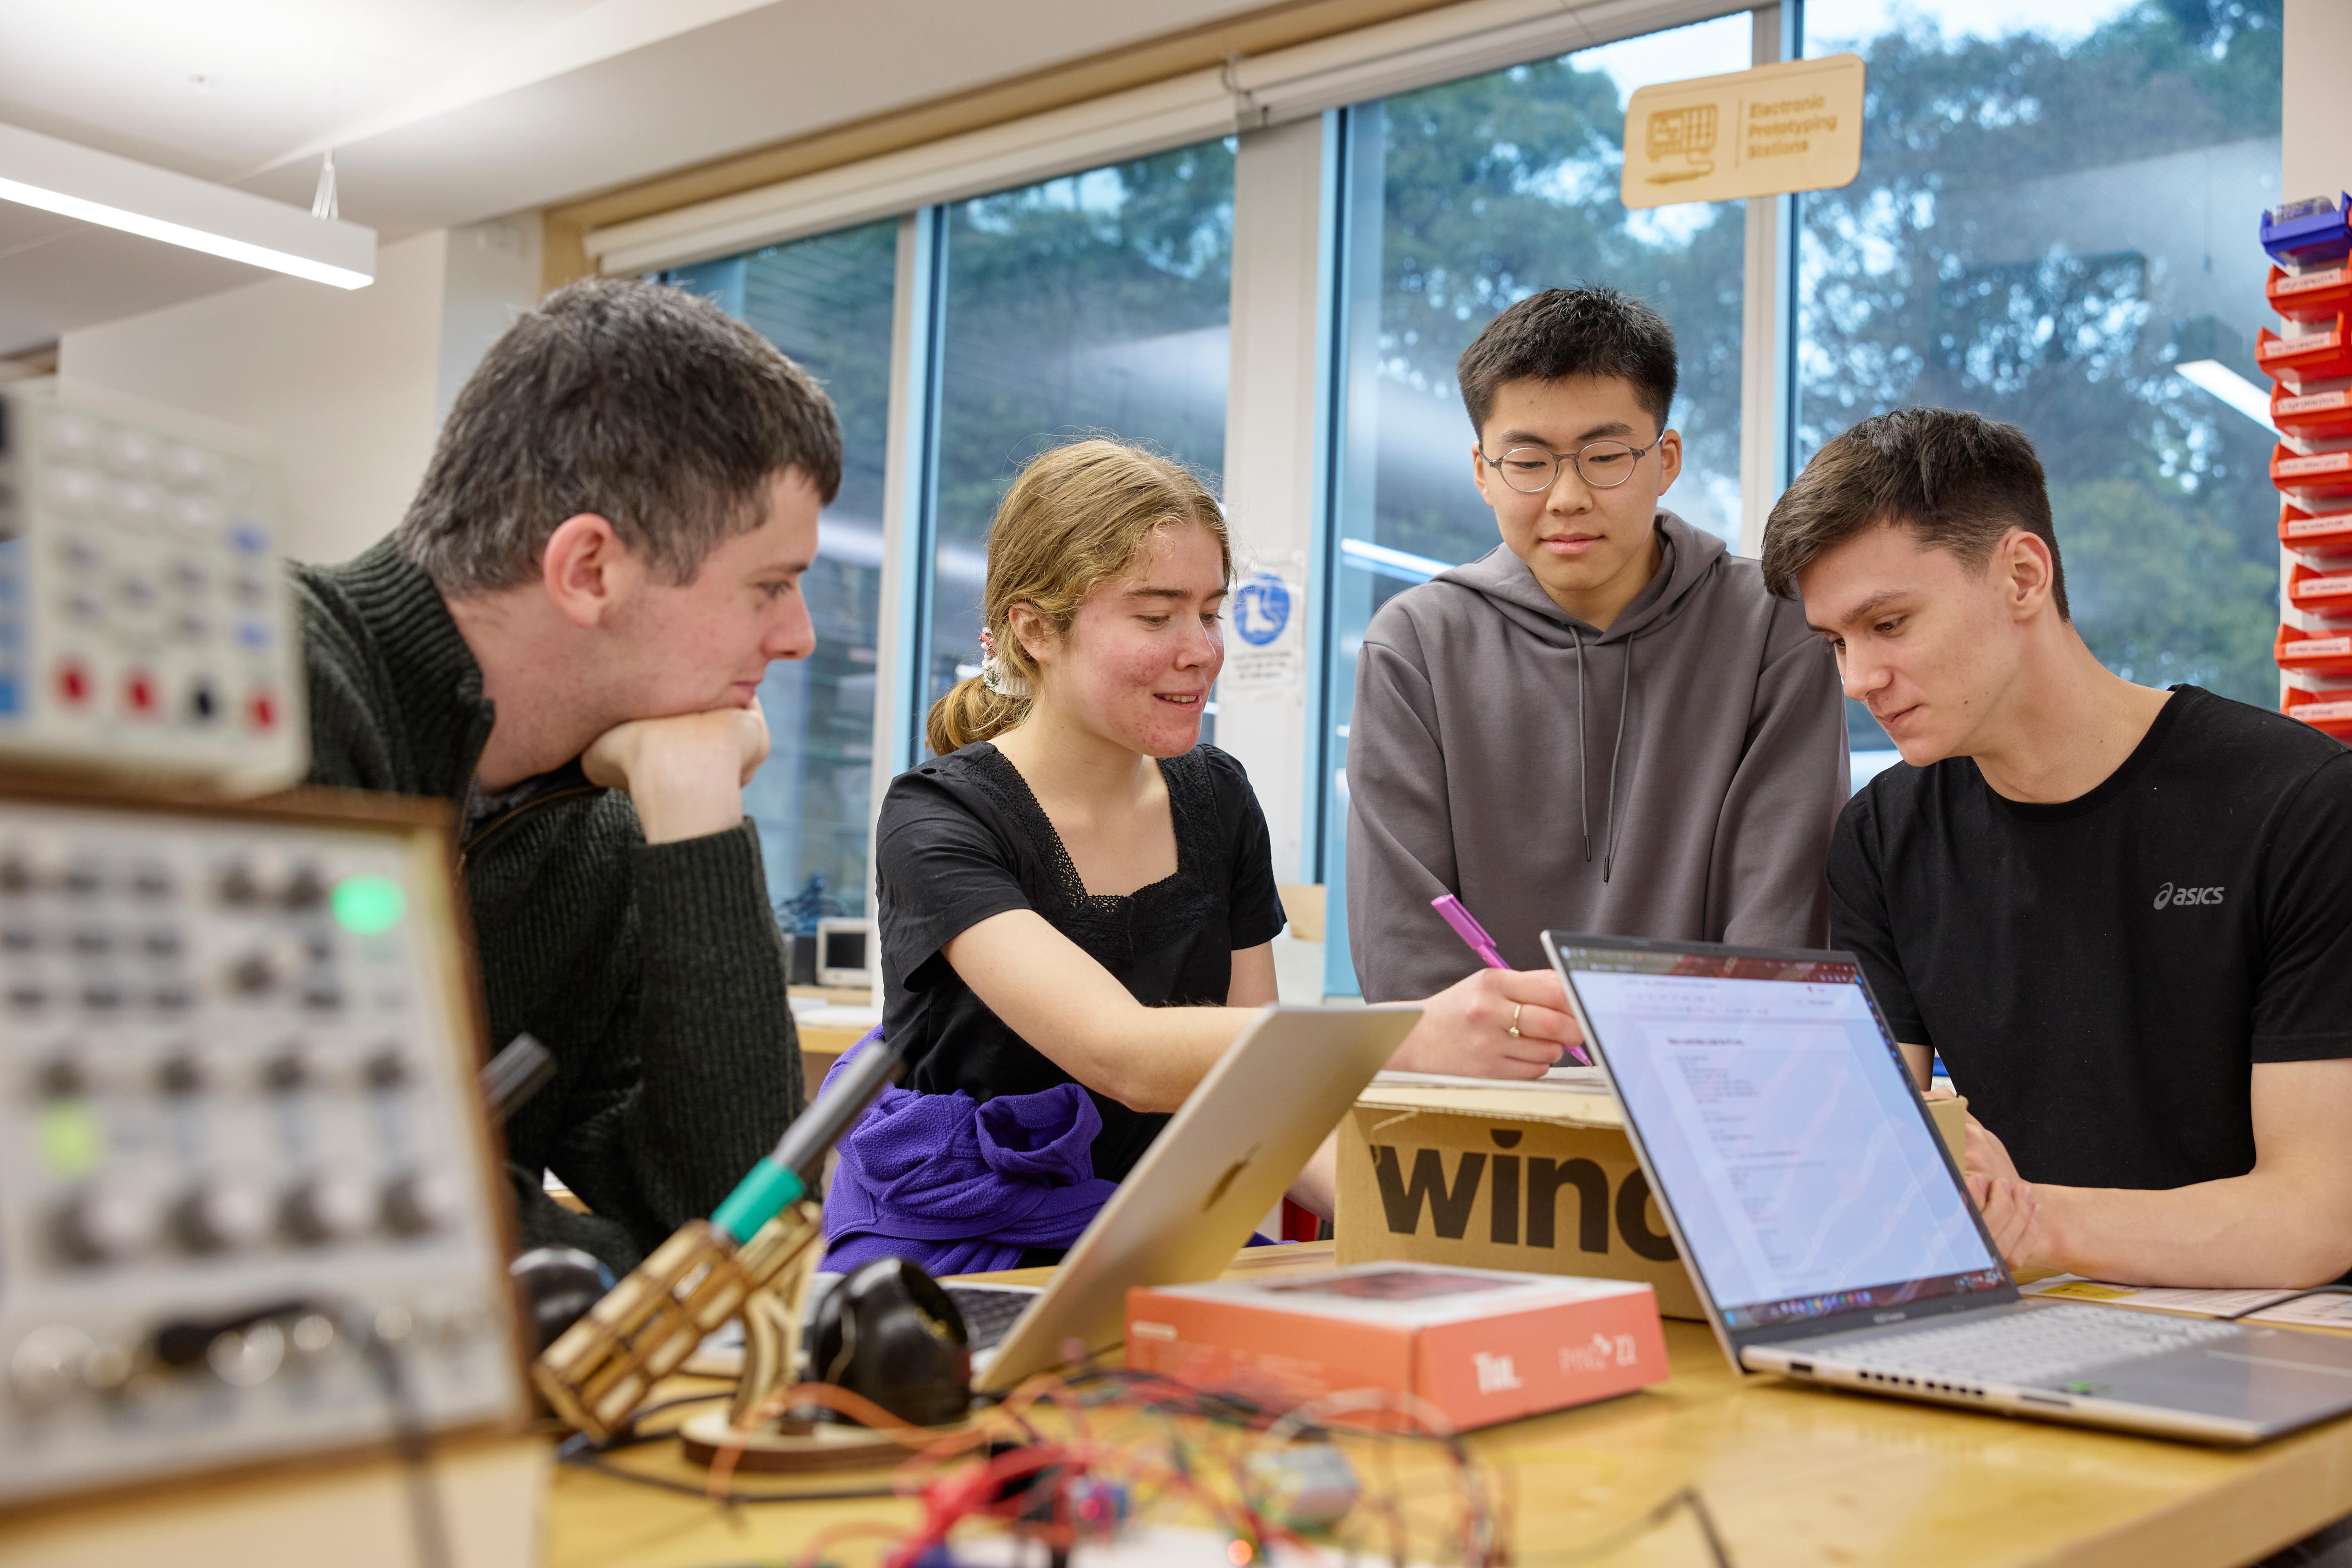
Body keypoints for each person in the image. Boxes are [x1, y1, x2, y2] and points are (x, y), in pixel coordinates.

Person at [821, 438, 1577, 1276]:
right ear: (1034, 630)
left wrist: (1423, 1228)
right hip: (961, 1243)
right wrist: (1406, 1035)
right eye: (1156, 616)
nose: (1202, 650)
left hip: (1160, 1227)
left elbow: (1258, 1088)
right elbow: (1125, 1054)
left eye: (1210, 612)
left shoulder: (1216, 797)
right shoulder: (940, 816)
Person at [293, 277, 837, 1273]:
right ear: (589, 569)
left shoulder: (603, 824)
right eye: (769, 586)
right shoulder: (275, 687)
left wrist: (697, 813)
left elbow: (744, 1231)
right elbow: (334, 1200)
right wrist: (632, 1273)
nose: (798, 637)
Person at [1763, 406, 2352, 1289]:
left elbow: (2317, 1214)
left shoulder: (2302, 803)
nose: (1858, 681)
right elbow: (1875, 1153)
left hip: (2271, 1331)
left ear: (2023, 575)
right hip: (2026, 1319)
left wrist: (2032, 1219)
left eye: (1888, 625)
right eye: (1836, 643)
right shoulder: (1883, 834)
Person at [1347, 287, 1847, 1009]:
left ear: (1666, 458)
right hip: (1488, 1100)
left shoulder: (1772, 626)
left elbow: (1783, 919)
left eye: (1605, 455)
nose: (1568, 496)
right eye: (1528, 461)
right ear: (1483, 471)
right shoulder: (1415, 646)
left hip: (1713, 1084)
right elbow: (1403, 952)